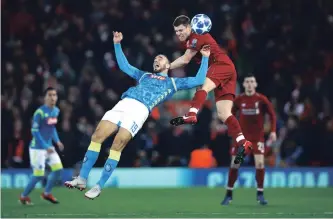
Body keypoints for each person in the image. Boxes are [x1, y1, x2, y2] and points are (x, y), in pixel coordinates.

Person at [64, 31, 211, 200]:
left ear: (169, 65)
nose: (156, 60)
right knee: (97, 136)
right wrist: (117, 44)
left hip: (139, 111)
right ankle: (82, 178)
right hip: (123, 104)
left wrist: (205, 57)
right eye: (155, 58)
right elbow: (124, 66)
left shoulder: (173, 83)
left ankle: (98, 186)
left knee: (117, 144)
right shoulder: (145, 75)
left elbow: (199, 79)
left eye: (160, 58)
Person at [169, 15, 252, 164]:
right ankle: (242, 142)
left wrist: (166, 67)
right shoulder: (198, 39)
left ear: (190, 27)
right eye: (176, 31)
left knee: (203, 87)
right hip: (229, 69)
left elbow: (185, 59)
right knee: (224, 113)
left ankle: (191, 114)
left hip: (220, 65)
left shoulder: (196, 37)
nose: (179, 34)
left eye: (181, 30)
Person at [221, 74, 277, 205]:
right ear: (244, 84)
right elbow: (231, 115)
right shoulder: (239, 99)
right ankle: (228, 194)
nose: (250, 84)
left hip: (257, 139)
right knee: (235, 164)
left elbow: (272, 115)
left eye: (252, 81)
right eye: (248, 82)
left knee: (260, 164)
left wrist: (273, 131)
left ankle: (260, 194)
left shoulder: (261, 99)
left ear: (255, 84)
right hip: (243, 140)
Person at [19, 87, 64, 205]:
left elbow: (52, 127)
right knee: (39, 175)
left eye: (54, 95)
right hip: (37, 148)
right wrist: (45, 145)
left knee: (58, 169)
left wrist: (57, 141)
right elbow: (34, 131)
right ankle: (23, 196)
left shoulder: (56, 111)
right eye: (50, 95)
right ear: (45, 98)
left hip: (49, 147)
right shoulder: (39, 112)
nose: (52, 97)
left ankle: (46, 193)